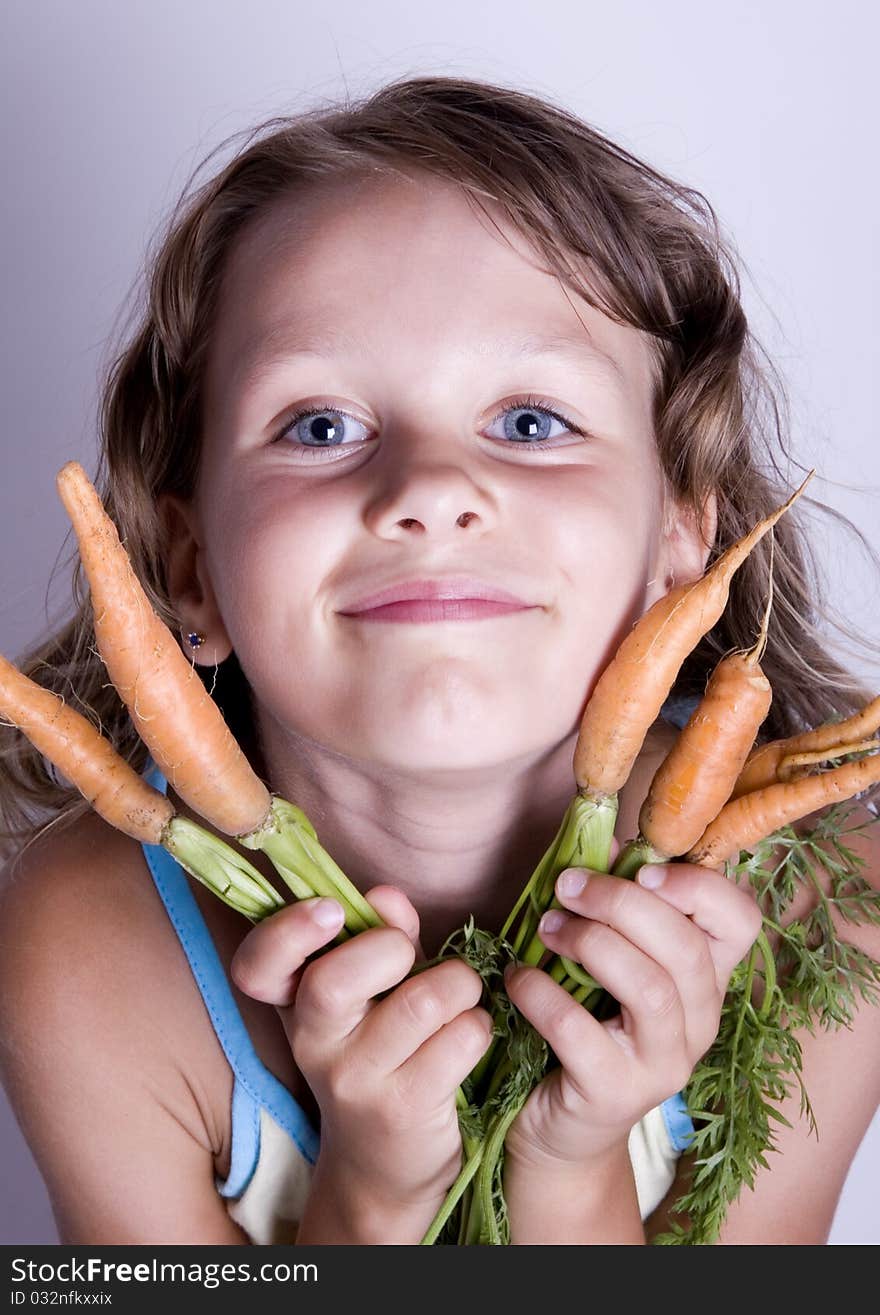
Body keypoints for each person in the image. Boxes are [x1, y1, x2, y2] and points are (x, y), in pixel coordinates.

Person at [1, 75, 878, 1247]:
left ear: (680, 542)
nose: (428, 492)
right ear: (187, 567)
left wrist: (570, 1165)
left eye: (529, 421)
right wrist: (367, 1192)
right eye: (319, 426)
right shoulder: (90, 948)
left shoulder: (829, 910)